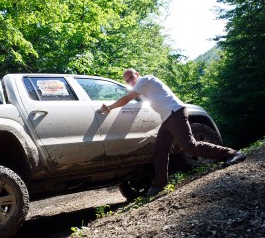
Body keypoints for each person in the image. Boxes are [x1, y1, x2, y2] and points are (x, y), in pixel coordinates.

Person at [100, 68, 246, 196]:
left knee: (189, 146)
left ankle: (232, 154)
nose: (130, 81)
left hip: (175, 113)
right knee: (160, 149)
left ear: (137, 75)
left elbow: (127, 98)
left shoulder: (146, 79)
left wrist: (109, 108)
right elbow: (137, 99)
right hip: (167, 118)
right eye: (127, 80)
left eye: (131, 77)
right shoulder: (143, 89)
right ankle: (160, 184)